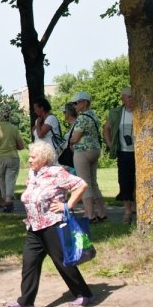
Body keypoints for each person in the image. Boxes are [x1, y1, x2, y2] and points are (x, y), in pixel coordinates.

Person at [5, 141, 94, 307]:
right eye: (29, 156)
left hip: (53, 224)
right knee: (29, 262)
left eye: (33, 157)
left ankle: (85, 294)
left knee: (62, 262)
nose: (29, 160)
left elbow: (81, 185)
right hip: (34, 227)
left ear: (44, 158)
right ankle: (26, 301)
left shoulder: (56, 172)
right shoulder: (33, 173)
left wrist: (67, 205)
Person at [69, 91, 107, 223]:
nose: (74, 106)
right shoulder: (94, 115)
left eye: (76, 103)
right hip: (95, 150)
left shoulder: (82, 118)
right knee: (93, 183)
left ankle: (89, 215)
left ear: (84, 103)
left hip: (83, 152)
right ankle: (102, 213)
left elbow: (76, 137)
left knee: (84, 184)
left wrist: (70, 142)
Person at [103, 87, 136, 224]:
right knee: (124, 182)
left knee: (139, 182)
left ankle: (137, 209)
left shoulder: (141, 112)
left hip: (139, 153)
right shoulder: (117, 112)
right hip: (123, 153)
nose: (130, 100)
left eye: (132, 97)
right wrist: (111, 145)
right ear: (123, 99)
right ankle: (127, 211)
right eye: (128, 97)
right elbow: (106, 129)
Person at [0, 106, 25, 213]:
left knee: (1, 179)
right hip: (12, 157)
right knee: (10, 179)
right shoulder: (14, 128)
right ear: (9, 116)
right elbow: (21, 146)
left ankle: (5, 200)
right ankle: (8, 200)